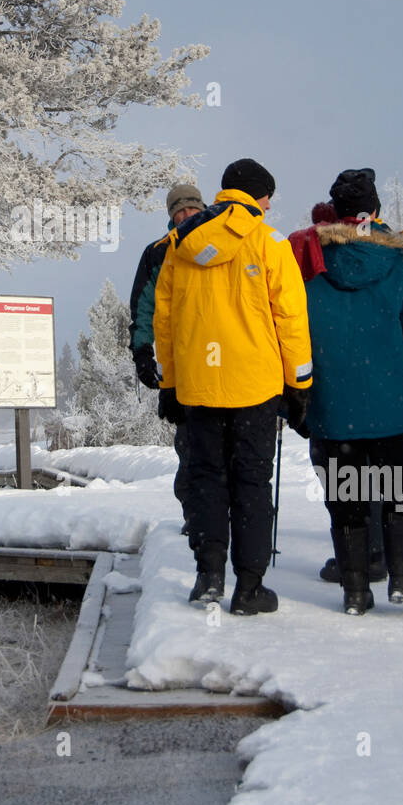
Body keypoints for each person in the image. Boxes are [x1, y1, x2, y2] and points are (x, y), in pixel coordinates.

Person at [153, 159, 313, 615]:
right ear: (259, 197)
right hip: (255, 388)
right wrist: (299, 382)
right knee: (251, 484)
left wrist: (170, 382)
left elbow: (164, 322)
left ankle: (207, 578)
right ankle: (249, 587)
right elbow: (291, 317)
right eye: (268, 197)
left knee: (207, 481)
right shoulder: (269, 242)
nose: (268, 205)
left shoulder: (180, 245)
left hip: (200, 388)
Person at [293, 168, 403, 615]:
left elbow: (287, 332)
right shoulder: (399, 264)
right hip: (392, 408)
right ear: (374, 210)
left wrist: (295, 400)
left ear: (335, 213)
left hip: (333, 409)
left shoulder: (309, 266)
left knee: (346, 501)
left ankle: (356, 591)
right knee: (398, 494)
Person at [289, 199, 387, 585]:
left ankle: (358, 562)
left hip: (328, 383)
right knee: (376, 469)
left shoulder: (307, 258)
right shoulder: (386, 251)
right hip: (378, 382)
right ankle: (378, 553)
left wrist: (293, 394)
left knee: (340, 473)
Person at [128, 183, 206, 521]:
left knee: (234, 453)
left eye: (192, 208)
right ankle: (196, 519)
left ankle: (235, 521)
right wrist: (142, 351)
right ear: (171, 215)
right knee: (190, 449)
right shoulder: (158, 253)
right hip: (183, 367)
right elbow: (143, 308)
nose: (187, 215)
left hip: (227, 363)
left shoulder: (223, 244)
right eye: (180, 210)